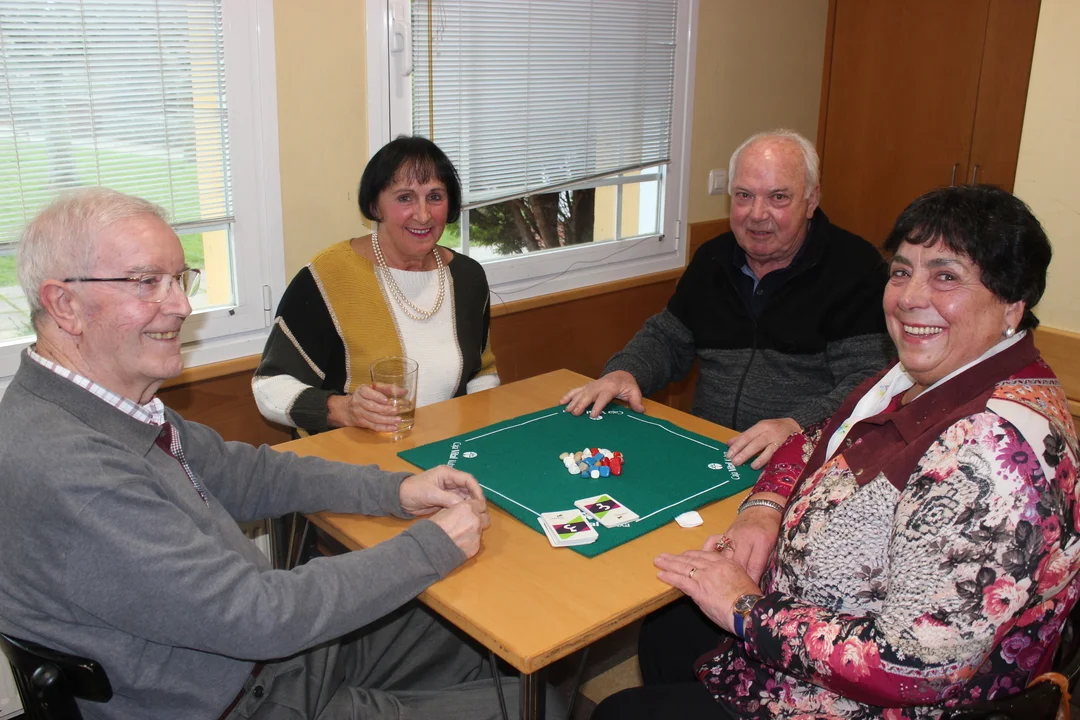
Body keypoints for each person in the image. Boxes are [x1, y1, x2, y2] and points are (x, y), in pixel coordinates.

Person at [0, 188, 552, 720]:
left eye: (179, 279)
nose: (182, 305)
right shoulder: (75, 469)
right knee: (540, 703)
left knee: (494, 628)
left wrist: (396, 490)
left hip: (267, 660)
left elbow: (249, 476)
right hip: (245, 699)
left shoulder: (105, 404)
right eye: (147, 282)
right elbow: (261, 616)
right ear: (65, 304)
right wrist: (432, 545)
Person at [592, 185, 1080, 719]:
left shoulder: (992, 453)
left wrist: (744, 610)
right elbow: (809, 439)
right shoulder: (918, 376)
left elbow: (912, 667)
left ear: (1013, 304)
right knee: (666, 631)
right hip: (805, 619)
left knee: (619, 712)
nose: (909, 297)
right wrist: (763, 510)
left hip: (871, 702)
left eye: (945, 276)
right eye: (901, 271)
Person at [562, 129, 892, 470]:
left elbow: (871, 382)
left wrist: (796, 425)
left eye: (778, 197)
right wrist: (624, 372)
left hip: (802, 461)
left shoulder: (856, 268)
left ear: (811, 201)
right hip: (709, 451)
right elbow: (667, 339)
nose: (757, 214)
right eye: (744, 195)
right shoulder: (713, 259)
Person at [253, 136, 499, 437]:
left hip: (444, 448)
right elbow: (268, 386)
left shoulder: (468, 278)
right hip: (347, 458)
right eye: (405, 198)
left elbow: (481, 373)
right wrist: (343, 410)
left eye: (435, 197)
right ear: (374, 206)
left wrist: (480, 434)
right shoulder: (328, 276)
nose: (423, 215)